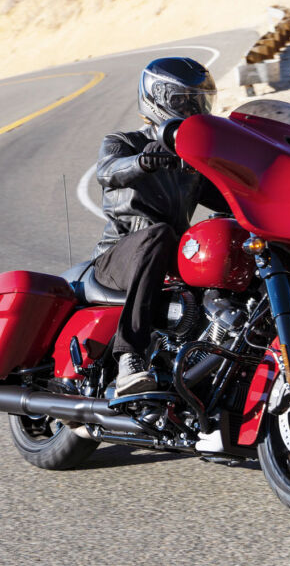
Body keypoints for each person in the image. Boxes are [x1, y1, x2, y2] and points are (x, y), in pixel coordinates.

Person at [91, 57, 227, 397]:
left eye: (200, 101)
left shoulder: (192, 163)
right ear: (157, 98)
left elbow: (229, 198)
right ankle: (129, 359)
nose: (193, 109)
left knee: (228, 244)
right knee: (160, 233)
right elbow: (108, 171)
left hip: (170, 256)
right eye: (183, 100)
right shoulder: (124, 141)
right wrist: (142, 163)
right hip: (118, 258)